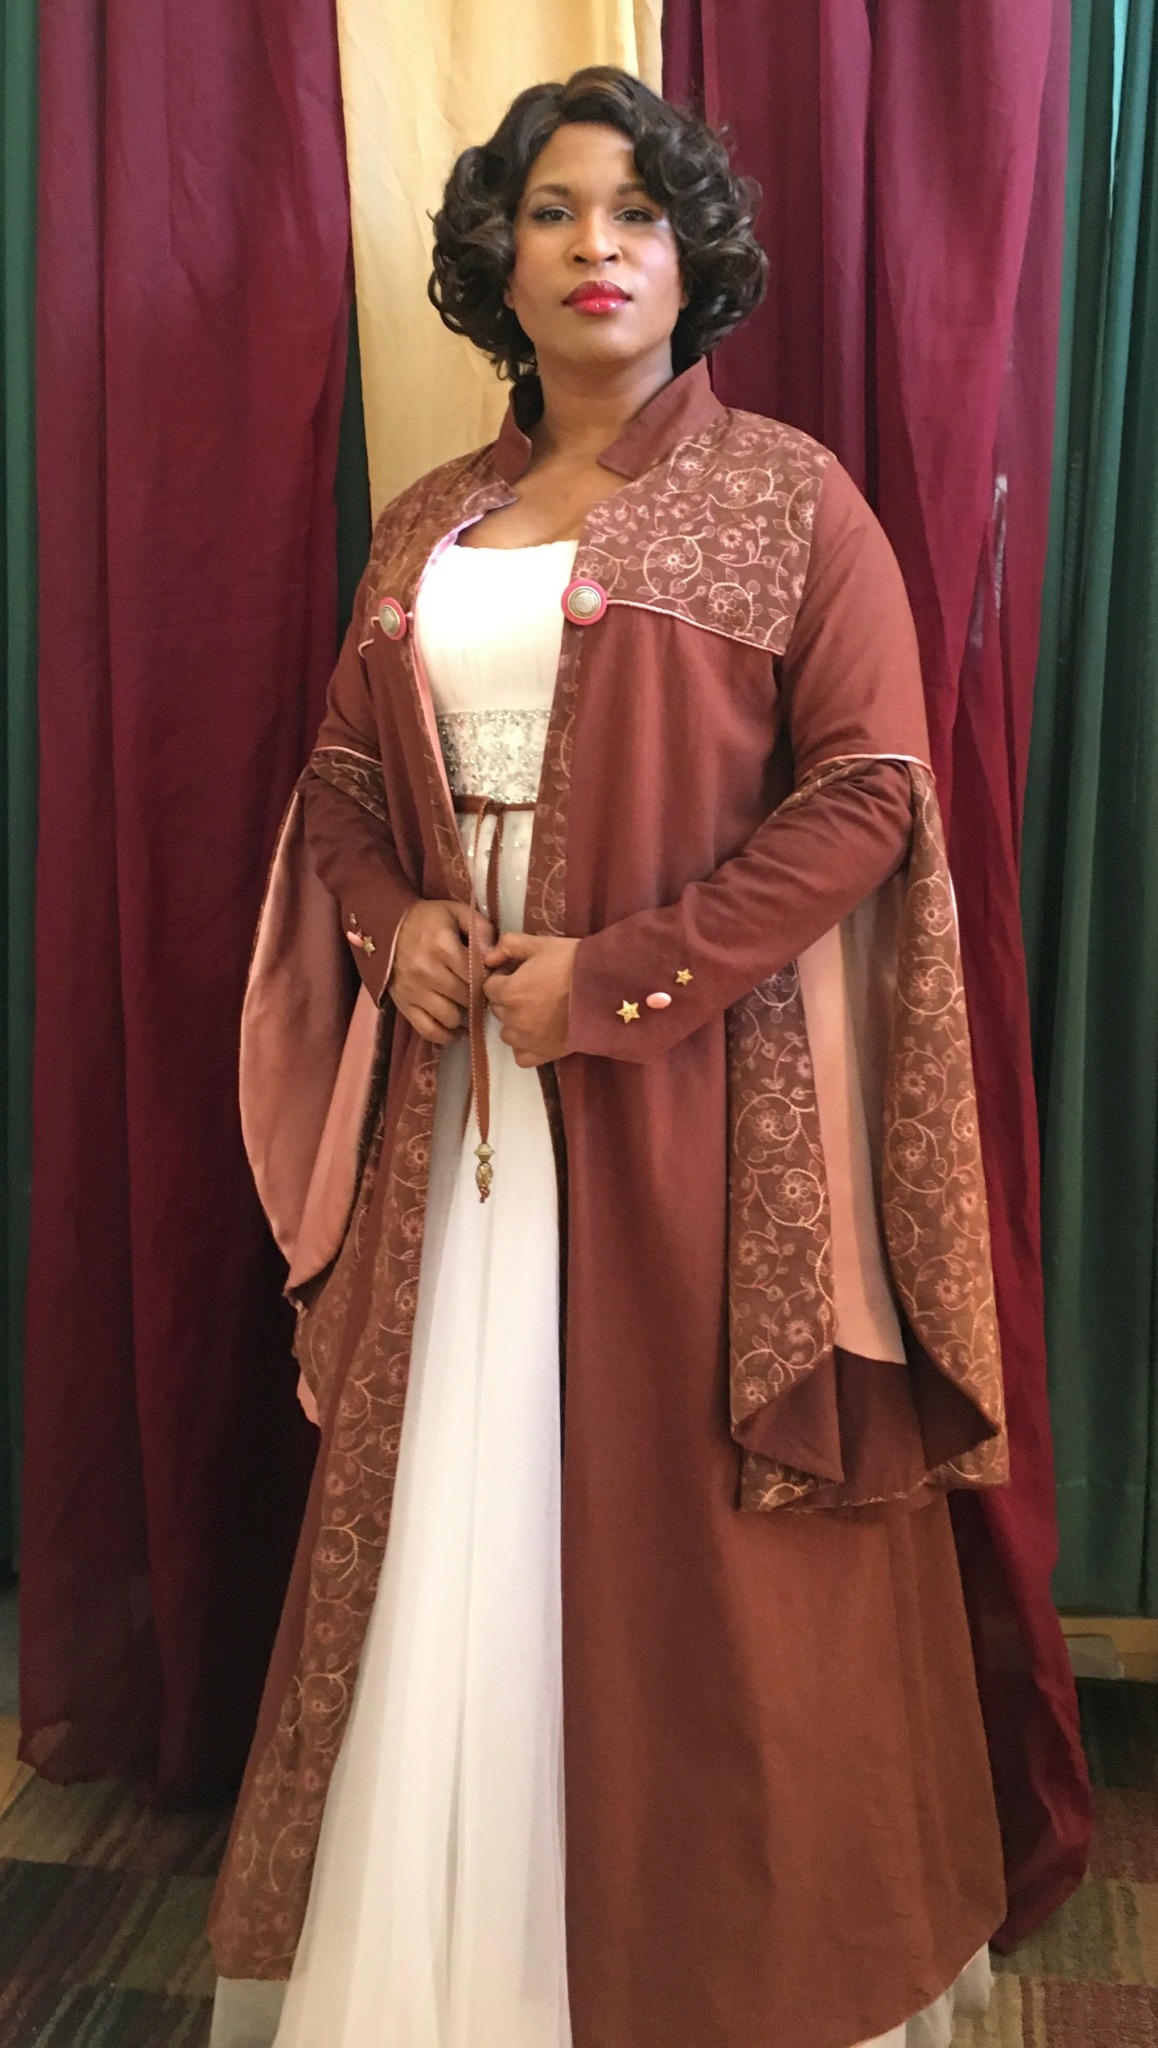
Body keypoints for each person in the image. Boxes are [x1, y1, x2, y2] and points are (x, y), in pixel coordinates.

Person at [207, 65, 1009, 2048]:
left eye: (636, 214)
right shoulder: (426, 521)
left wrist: (629, 979)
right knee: (447, 1525)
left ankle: (718, 1980)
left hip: (703, 1121)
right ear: (498, 257)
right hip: (452, 1117)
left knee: (701, 1558)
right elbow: (339, 783)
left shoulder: (790, 498)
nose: (594, 247)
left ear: (692, 256)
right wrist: (391, 922)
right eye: (553, 211)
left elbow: (869, 794)